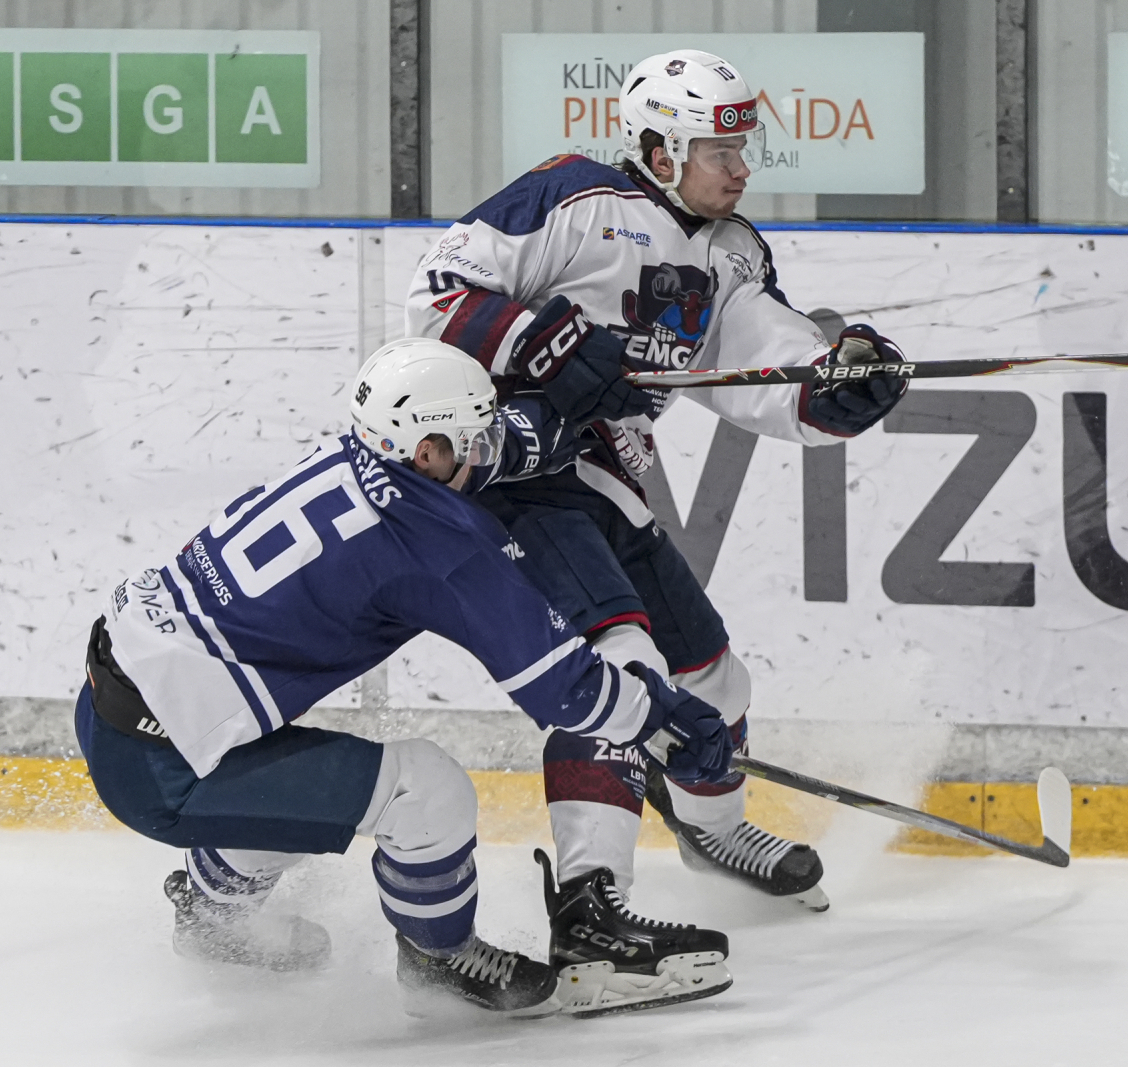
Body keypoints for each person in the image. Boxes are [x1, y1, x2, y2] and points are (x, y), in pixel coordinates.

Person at [405, 50, 910, 945]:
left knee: (714, 679)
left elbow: (764, 369)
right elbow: (438, 295)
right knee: (622, 669)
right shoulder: (574, 198)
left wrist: (835, 386)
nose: (741, 169)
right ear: (659, 150)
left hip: (604, 478)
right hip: (509, 472)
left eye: (744, 149)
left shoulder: (731, 252)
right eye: (720, 152)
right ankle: (589, 903)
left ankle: (713, 830)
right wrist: (547, 343)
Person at [73, 338, 737, 1018]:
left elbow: (481, 453)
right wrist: (666, 718)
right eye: (473, 438)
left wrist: (567, 415)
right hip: (168, 768)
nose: (486, 449)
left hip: (115, 703)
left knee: (288, 795)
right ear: (427, 451)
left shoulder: (357, 454)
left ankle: (213, 919)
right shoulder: (433, 543)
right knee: (426, 790)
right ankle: (438, 960)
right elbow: (563, 686)